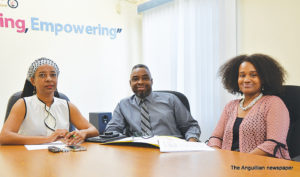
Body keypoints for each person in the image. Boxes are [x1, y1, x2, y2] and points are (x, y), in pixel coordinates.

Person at [207, 54, 290, 159]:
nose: (246, 80)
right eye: (242, 75)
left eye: (253, 75)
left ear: (264, 79)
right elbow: (215, 137)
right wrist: (219, 155)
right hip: (229, 166)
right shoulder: (230, 106)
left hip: (264, 167)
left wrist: (241, 162)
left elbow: (273, 143)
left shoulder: (274, 103)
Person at [0, 57, 99, 145]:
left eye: (53, 75)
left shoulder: (67, 105)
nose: (48, 79)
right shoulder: (22, 104)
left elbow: (93, 130)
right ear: (33, 81)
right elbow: (4, 137)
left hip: (61, 158)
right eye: (42, 75)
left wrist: (83, 133)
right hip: (28, 159)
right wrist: (48, 139)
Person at [105, 64, 201, 142]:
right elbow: (111, 130)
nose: (140, 82)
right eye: (135, 79)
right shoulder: (123, 105)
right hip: (139, 152)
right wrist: (128, 141)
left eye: (145, 78)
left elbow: (191, 126)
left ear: (152, 81)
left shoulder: (171, 100)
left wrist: (191, 142)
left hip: (172, 150)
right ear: (130, 83)